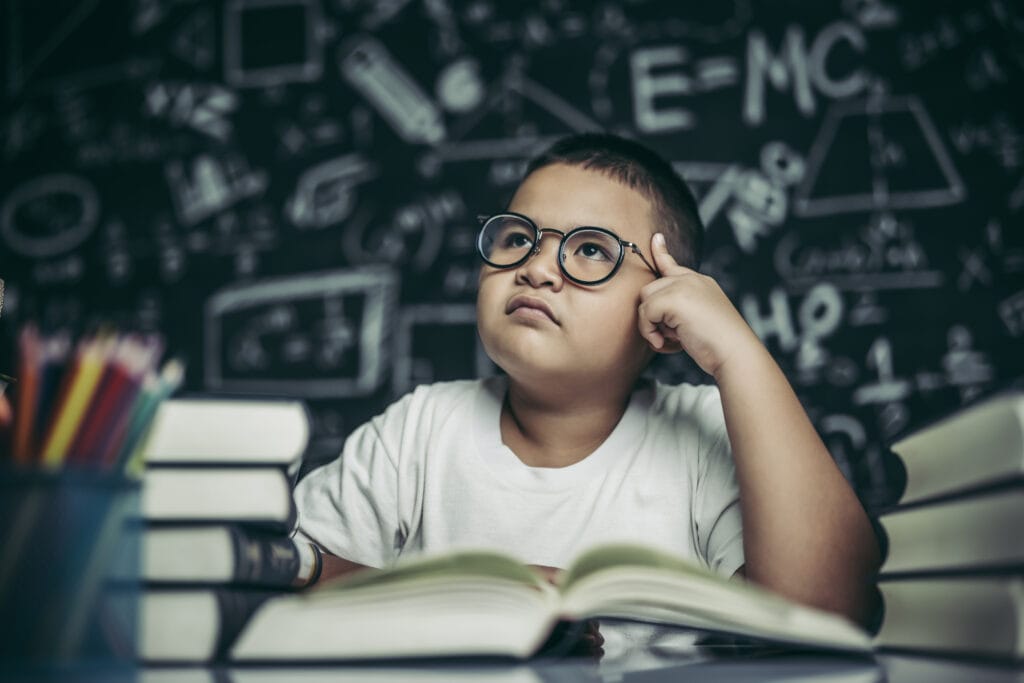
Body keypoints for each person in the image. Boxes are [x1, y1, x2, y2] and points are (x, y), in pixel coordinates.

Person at [293, 132, 881, 627]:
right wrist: (473, 600)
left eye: (592, 250)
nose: (538, 267)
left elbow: (824, 613)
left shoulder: (706, 431)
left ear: (665, 304)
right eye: (518, 237)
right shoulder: (420, 428)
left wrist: (738, 355)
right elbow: (284, 569)